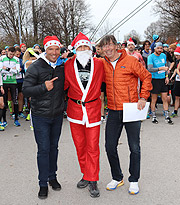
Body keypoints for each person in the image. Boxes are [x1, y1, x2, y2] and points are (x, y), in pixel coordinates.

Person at [100, 35, 152, 195]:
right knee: (109, 147)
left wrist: (143, 97)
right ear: (101, 50)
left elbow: (146, 76)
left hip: (131, 109)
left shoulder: (130, 61)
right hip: (114, 110)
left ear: (116, 46)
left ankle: (134, 180)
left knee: (134, 147)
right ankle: (117, 177)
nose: (107, 49)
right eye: (104, 47)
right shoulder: (102, 64)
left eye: (110, 45)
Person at [22, 36, 65, 199]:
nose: (54, 52)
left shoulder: (62, 66)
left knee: (54, 148)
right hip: (40, 115)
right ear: (45, 50)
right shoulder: (36, 66)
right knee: (44, 149)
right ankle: (42, 183)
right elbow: (26, 90)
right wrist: (43, 87)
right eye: (50, 49)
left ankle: (52, 177)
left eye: (56, 49)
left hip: (57, 114)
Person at [64, 32, 104, 198]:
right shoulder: (67, 65)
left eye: (86, 46)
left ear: (90, 48)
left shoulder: (100, 64)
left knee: (93, 147)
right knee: (80, 146)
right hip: (75, 111)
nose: (83, 49)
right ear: (75, 49)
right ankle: (86, 174)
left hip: (93, 110)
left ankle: (93, 179)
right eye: (80, 46)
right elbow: (61, 85)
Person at [147, 42, 173, 124]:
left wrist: (167, 77)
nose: (160, 50)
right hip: (154, 79)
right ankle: (154, 116)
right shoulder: (151, 57)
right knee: (154, 99)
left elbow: (165, 68)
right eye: (158, 48)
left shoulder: (164, 56)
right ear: (154, 48)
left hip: (163, 79)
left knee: (165, 98)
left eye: (161, 48)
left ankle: (166, 116)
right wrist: (160, 68)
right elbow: (150, 69)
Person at [0, 46, 21, 127]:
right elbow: (0, 69)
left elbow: (17, 71)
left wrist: (7, 69)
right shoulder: (2, 58)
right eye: (10, 54)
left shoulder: (16, 59)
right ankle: (4, 120)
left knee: (14, 100)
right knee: (4, 101)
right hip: (4, 82)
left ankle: (16, 119)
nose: (11, 56)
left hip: (13, 82)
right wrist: (12, 69)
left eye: (13, 54)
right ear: (7, 51)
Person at [170, 46, 180, 117]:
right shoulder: (177, 61)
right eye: (175, 55)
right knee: (177, 96)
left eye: (177, 55)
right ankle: (175, 111)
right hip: (178, 80)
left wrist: (177, 72)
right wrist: (172, 76)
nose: (176, 57)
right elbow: (176, 70)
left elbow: (177, 70)